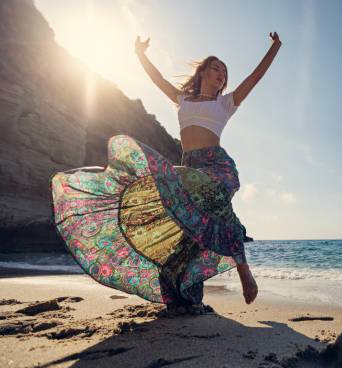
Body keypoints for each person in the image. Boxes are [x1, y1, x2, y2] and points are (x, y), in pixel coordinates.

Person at [50, 31, 282, 316]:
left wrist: (275, 47)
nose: (221, 74)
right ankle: (183, 292)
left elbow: (255, 78)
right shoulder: (183, 99)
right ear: (202, 72)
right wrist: (140, 54)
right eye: (216, 68)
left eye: (225, 72)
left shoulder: (226, 103)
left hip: (217, 166)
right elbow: (157, 79)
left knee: (214, 208)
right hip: (192, 166)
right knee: (190, 232)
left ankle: (244, 270)